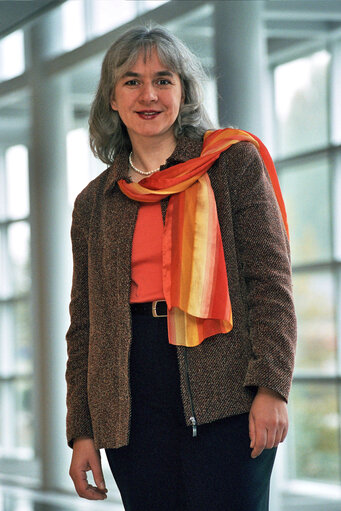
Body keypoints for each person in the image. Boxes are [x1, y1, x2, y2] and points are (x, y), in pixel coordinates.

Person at [65, 24, 297, 511]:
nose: (148, 94)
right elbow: (84, 327)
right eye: (131, 81)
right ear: (111, 97)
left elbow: (271, 286)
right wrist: (81, 431)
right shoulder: (94, 202)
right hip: (130, 400)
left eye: (163, 80)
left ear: (184, 91)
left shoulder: (232, 163)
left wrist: (272, 387)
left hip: (229, 390)